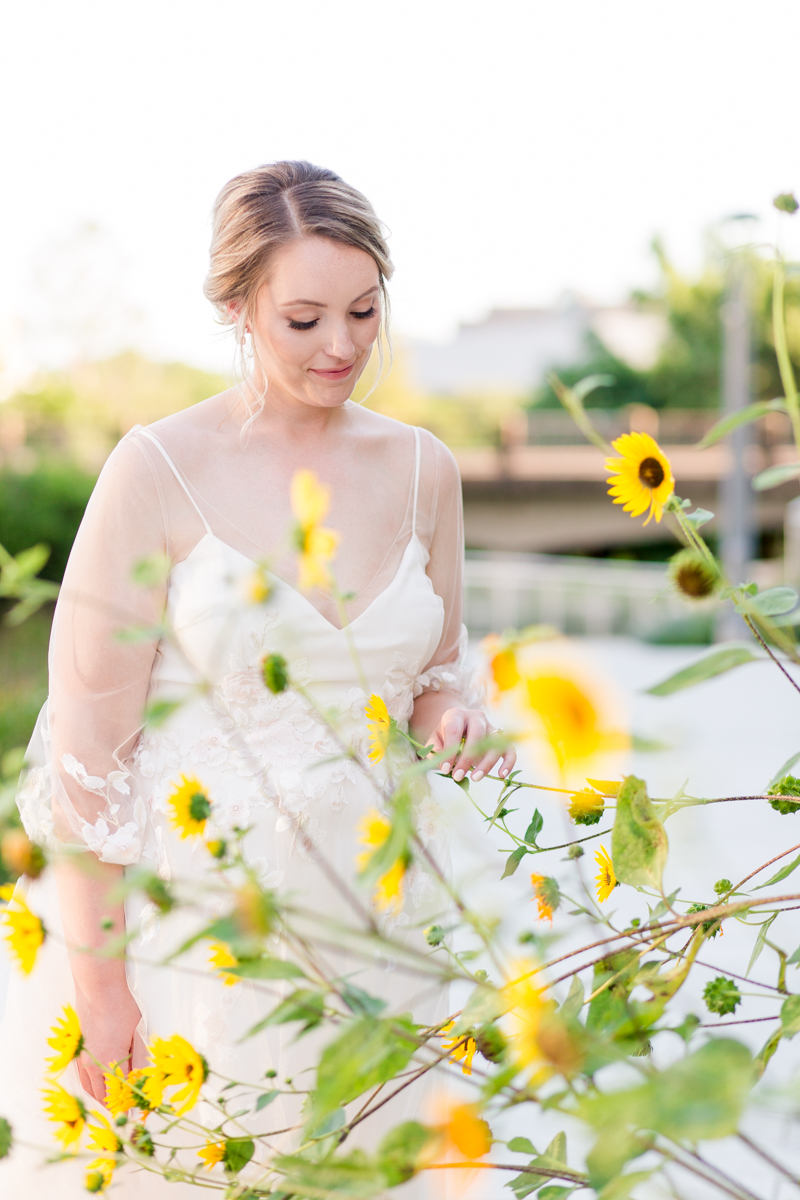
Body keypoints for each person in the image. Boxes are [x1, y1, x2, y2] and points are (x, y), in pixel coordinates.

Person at [0, 160, 515, 1195]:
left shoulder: (426, 470)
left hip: (393, 911)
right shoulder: (156, 468)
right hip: (209, 929)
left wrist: (452, 716)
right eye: (304, 318)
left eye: (363, 310)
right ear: (236, 307)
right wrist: (104, 999)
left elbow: (435, 673)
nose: (342, 346)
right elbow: (88, 766)